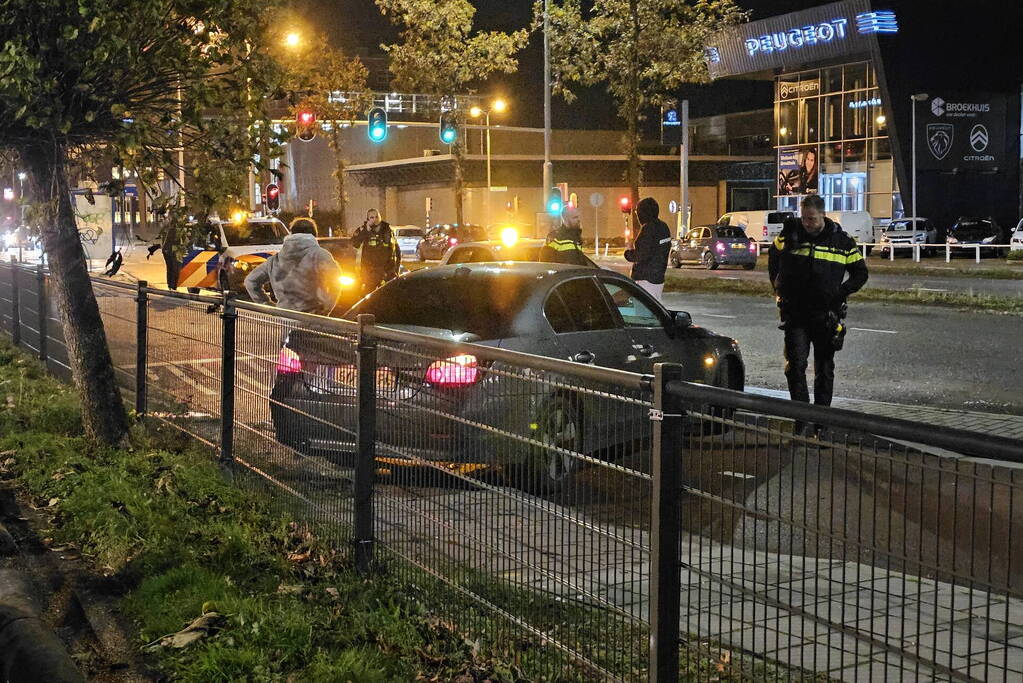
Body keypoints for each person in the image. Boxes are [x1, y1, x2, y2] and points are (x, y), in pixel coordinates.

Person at [768, 194, 868, 434]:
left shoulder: (841, 242)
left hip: (826, 315)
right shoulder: (791, 235)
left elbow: (860, 273)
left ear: (823, 215)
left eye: (812, 219)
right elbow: (773, 256)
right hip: (795, 313)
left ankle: (821, 423)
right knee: (795, 366)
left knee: (824, 369)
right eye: (804, 219)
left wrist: (841, 293)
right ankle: (801, 418)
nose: (807, 223)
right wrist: (777, 284)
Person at [244, 217, 342, 314]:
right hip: (314, 318)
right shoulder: (320, 255)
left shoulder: (275, 260)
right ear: (314, 235)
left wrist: (268, 305)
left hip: (286, 319)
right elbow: (336, 281)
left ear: (291, 234)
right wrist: (327, 306)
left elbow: (251, 281)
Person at [623, 197, 672, 301]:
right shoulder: (663, 227)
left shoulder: (648, 229)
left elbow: (641, 254)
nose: (637, 216)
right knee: (655, 307)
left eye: (638, 213)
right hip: (658, 277)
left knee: (645, 311)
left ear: (644, 213)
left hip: (646, 279)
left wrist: (628, 254)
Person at [351, 208, 400, 296]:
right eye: (372, 217)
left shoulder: (387, 230)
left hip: (387, 272)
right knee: (368, 300)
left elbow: (396, 251)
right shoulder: (362, 230)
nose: (375, 219)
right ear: (368, 219)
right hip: (369, 273)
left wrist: (396, 269)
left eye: (377, 217)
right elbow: (354, 243)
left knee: (388, 298)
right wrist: (366, 231)